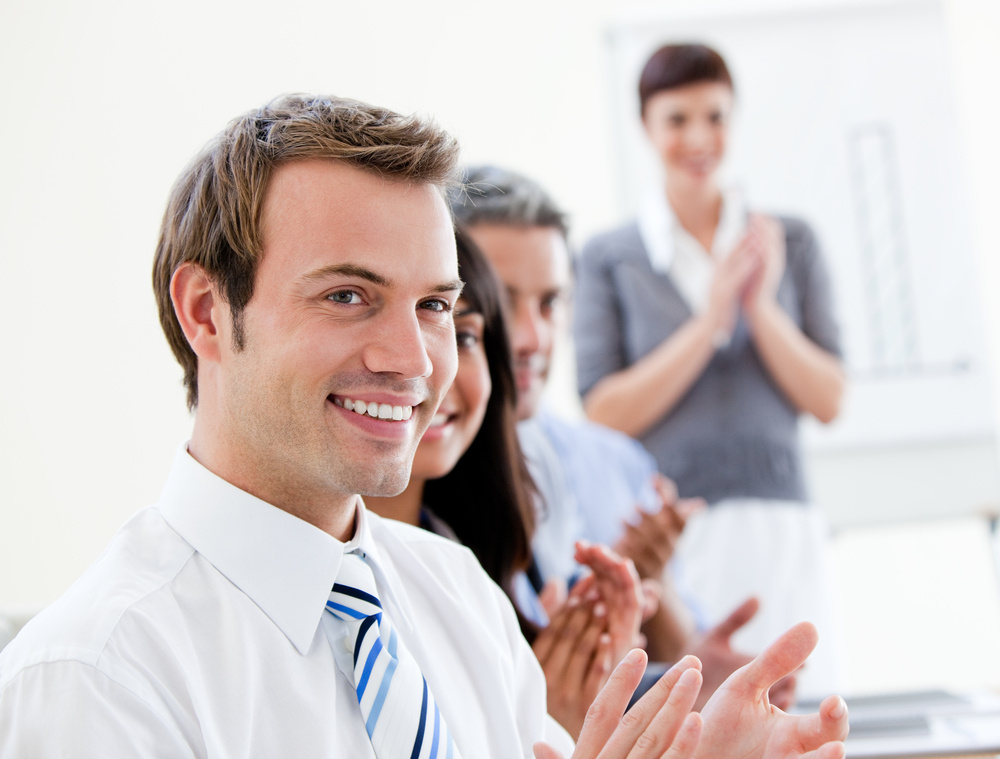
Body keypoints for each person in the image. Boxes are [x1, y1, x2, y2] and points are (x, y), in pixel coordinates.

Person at [0, 94, 848, 759]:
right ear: (207, 313)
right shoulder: (97, 675)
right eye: (348, 296)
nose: (414, 359)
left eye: (436, 306)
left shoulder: (458, 599)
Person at [450, 164, 796, 711]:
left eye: (549, 303)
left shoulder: (617, 465)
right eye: (501, 302)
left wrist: (686, 662)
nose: (530, 337)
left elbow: (657, 669)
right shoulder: (415, 480)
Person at [573, 44, 847, 694]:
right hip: (678, 542)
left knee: (801, 712)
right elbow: (604, 409)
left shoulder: (791, 241)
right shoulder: (610, 256)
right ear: (646, 126)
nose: (699, 137)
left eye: (715, 117)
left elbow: (830, 398)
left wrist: (761, 304)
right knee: (699, 713)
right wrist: (712, 319)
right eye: (677, 119)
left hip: (784, 527)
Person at [367, 231, 645, 739]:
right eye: (350, 301)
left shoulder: (482, 583)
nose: (424, 363)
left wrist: (585, 705)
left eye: (463, 333)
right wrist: (546, 730)